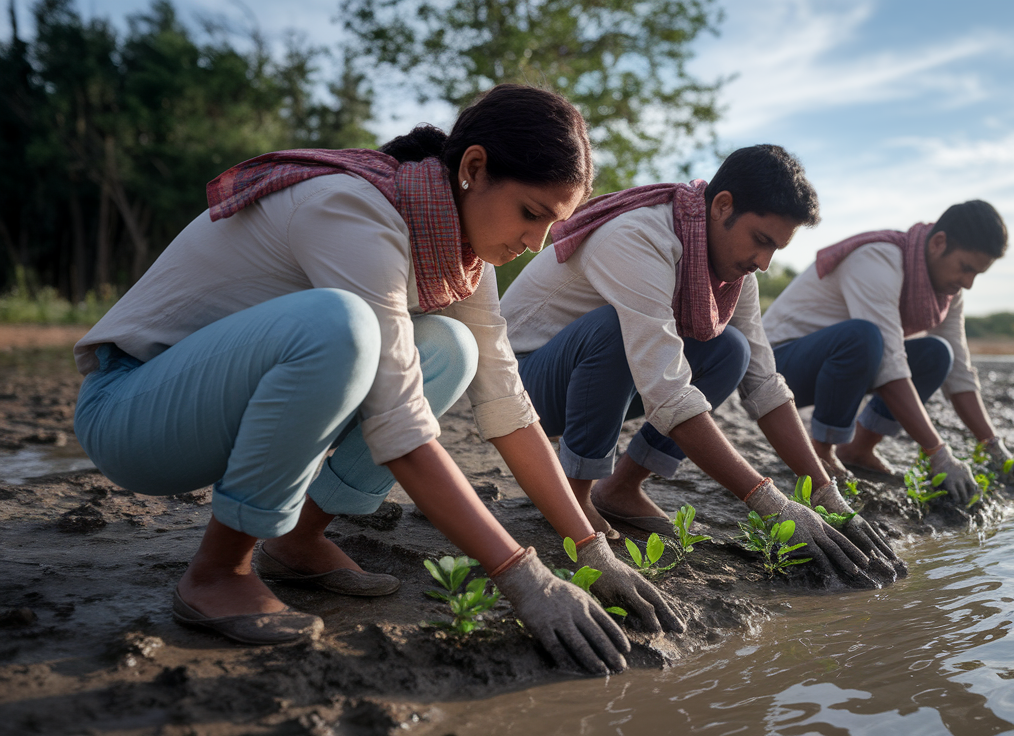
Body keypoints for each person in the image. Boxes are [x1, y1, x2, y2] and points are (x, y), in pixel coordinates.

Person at [72, 84, 682, 674]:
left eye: (552, 225)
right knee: (341, 326)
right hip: (133, 410)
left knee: (451, 347)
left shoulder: (463, 251)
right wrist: (521, 574)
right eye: (530, 213)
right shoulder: (353, 207)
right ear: (473, 167)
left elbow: (506, 401)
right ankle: (218, 571)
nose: (534, 242)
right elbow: (402, 426)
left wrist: (588, 548)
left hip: (212, 406)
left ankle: (298, 540)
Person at [500, 145, 903, 584]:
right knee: (617, 328)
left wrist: (827, 496)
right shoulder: (638, 236)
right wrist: (772, 503)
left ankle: (621, 487)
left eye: (777, 248)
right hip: (522, 387)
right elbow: (667, 389)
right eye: (762, 241)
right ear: (722, 206)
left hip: (597, 380)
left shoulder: (730, 268)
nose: (764, 264)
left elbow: (763, 382)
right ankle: (575, 496)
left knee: (731, 349)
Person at [762, 200, 1014, 506]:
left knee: (937, 353)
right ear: (939, 243)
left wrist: (995, 448)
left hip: (839, 364)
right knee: (864, 337)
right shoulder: (877, 258)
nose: (968, 282)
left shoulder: (947, 293)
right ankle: (821, 450)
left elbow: (960, 373)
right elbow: (889, 363)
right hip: (777, 368)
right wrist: (939, 453)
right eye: (966, 268)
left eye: (977, 274)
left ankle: (858, 449)